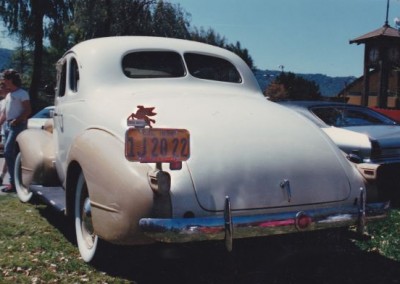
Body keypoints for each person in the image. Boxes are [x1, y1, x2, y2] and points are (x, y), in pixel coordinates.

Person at [0, 69, 31, 193]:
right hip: (8, 126)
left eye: (5, 79)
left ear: (11, 80)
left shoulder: (22, 93)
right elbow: (5, 114)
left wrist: (17, 121)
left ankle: (14, 182)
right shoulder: (8, 95)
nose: (3, 82)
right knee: (9, 154)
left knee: (8, 152)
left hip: (17, 125)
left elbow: (28, 110)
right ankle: (14, 182)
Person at [0, 81, 9, 185]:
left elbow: (4, 116)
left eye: (1, 87)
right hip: (3, 130)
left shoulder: (9, 99)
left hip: (6, 128)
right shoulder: (2, 101)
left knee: (7, 153)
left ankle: (2, 176)